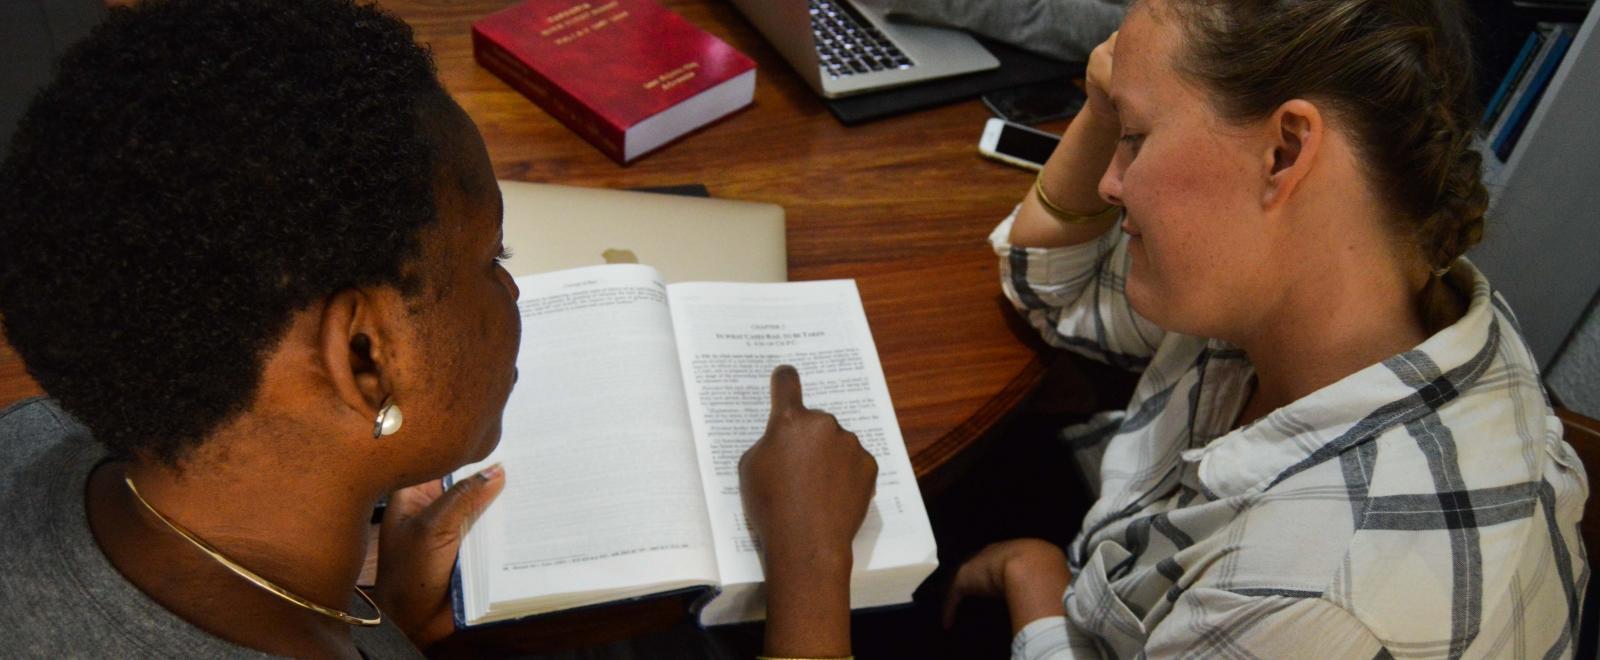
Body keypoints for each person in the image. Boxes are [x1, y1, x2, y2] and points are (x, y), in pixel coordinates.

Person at [0, 0, 876, 657]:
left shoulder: (35, 441)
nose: (513, 288)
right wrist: (807, 560)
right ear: (366, 358)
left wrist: (382, 610)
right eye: (493, 256)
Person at [945, 0, 1589, 656]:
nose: (1110, 182)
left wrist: (1035, 586)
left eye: (1134, 137)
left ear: (1284, 151)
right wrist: (1107, 107)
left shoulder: (1313, 605)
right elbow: (1057, 287)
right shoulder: (1350, 288)